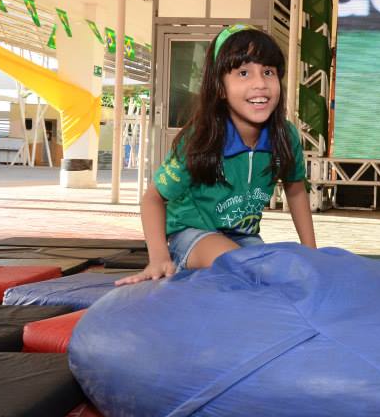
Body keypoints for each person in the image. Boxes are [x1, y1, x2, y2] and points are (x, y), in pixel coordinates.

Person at [117, 26, 317, 285]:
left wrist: (312, 254)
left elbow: (296, 189)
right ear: (220, 88)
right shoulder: (201, 139)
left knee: (276, 271)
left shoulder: (285, 136)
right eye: (243, 73)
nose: (260, 83)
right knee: (240, 265)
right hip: (192, 235)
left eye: (268, 72)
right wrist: (158, 258)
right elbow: (152, 198)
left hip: (243, 237)